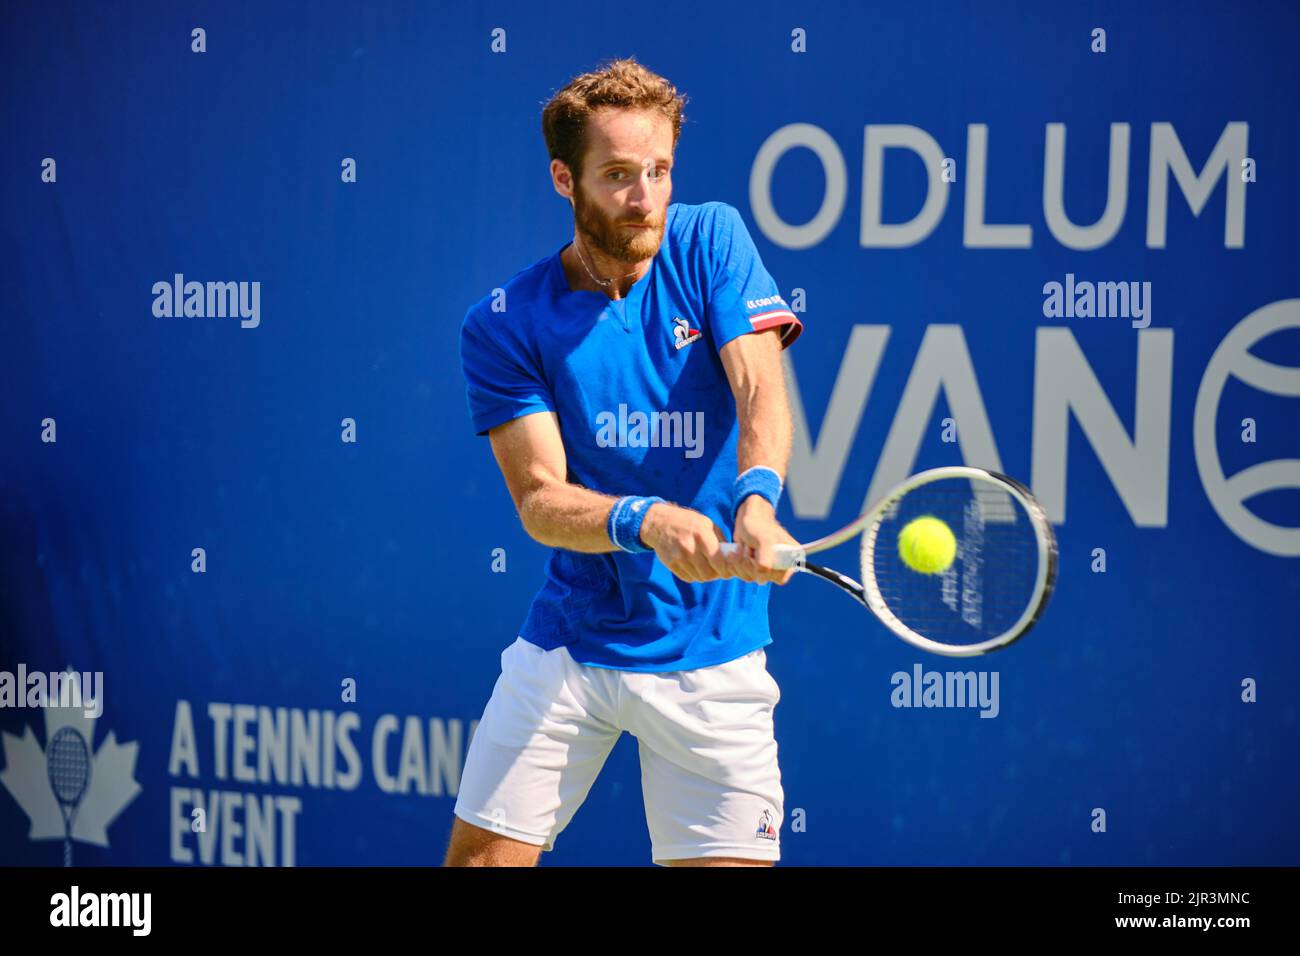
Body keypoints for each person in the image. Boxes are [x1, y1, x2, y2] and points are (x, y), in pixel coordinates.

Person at [446, 57, 804, 867]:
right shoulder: (502, 324)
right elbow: (540, 500)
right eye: (617, 176)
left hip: (714, 659)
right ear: (563, 180)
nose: (646, 198)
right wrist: (646, 520)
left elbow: (757, 388)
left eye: (659, 170)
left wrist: (755, 497)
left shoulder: (711, 239)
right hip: (570, 647)